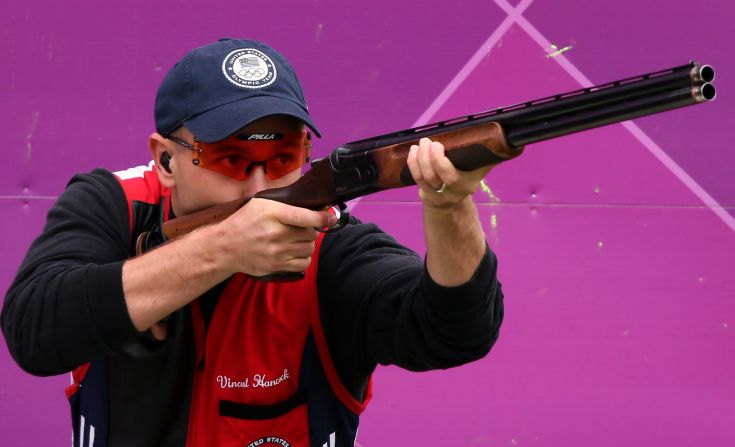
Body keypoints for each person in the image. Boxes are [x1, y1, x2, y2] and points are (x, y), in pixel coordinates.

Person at [1, 38, 504, 447]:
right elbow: (34, 329)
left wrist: (448, 207)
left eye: (284, 157)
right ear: (166, 160)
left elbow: (456, 332)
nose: (261, 186)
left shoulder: (331, 245)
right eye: (231, 159)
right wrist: (223, 250)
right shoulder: (114, 205)